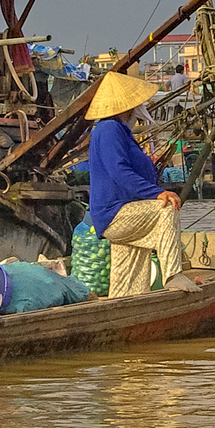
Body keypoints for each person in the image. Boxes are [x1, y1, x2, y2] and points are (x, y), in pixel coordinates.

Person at [85, 72, 199, 295]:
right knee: (166, 209)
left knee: (129, 283)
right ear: (126, 107)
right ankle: (173, 275)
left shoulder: (119, 131)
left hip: (126, 209)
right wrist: (157, 193)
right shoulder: (109, 129)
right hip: (115, 212)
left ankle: (123, 307)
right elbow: (119, 171)